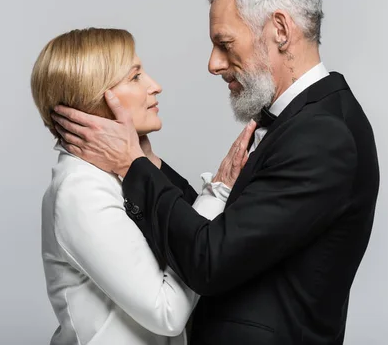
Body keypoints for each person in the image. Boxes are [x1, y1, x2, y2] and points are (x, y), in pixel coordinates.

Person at [51, 0, 380, 345]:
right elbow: (228, 238)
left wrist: (134, 165)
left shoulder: (323, 134)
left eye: (224, 44)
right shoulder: (302, 121)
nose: (213, 64)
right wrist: (154, 166)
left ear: (280, 30)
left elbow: (209, 259)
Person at [30, 27, 255, 345]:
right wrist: (217, 191)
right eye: (135, 77)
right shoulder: (81, 192)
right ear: (96, 100)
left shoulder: (113, 176)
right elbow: (168, 313)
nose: (155, 87)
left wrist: (144, 161)